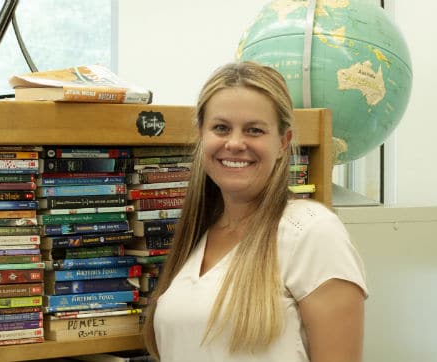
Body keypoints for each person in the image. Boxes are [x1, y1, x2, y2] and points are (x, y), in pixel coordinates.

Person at [142, 61, 368, 362]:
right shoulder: (196, 236)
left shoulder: (312, 233)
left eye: (255, 130)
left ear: (282, 143)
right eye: (221, 128)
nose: (235, 143)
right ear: (201, 135)